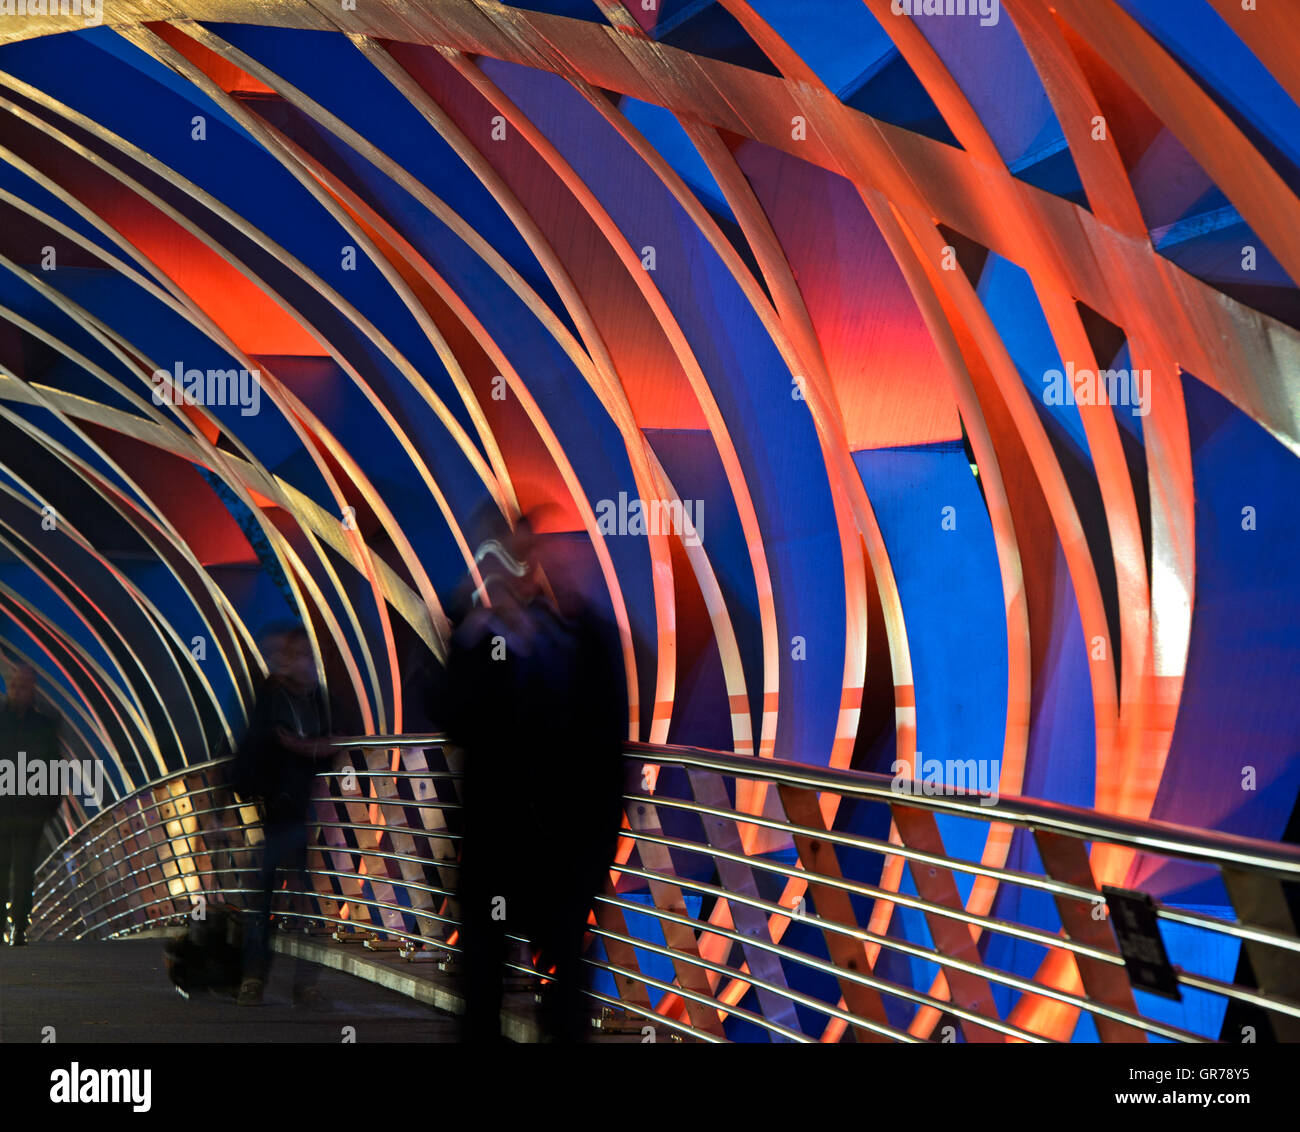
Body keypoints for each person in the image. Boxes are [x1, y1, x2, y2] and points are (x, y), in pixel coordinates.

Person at [232, 625, 335, 1007]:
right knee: (266, 899)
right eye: (296, 655)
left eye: (306, 655)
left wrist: (304, 746)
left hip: (311, 814)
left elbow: (339, 738)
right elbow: (253, 745)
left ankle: (304, 983)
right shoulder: (271, 698)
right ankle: (254, 978)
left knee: (304, 901)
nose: (300, 662)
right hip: (277, 811)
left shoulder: (319, 700)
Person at [0, 664, 61, 947]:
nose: (17, 691)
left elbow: (54, 767)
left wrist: (49, 806)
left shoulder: (45, 725)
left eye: (23, 686)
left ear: (32, 690)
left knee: (24, 872)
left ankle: (19, 927)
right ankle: (4, 926)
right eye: (13, 685)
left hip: (29, 812)